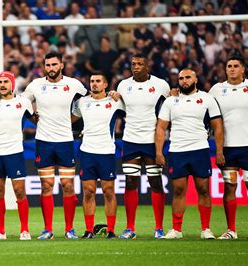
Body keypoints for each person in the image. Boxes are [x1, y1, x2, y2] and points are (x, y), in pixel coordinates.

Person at [0, 51, 87, 240]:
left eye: (54, 64)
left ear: (62, 65)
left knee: (67, 185)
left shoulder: (74, 84)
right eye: (48, 65)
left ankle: (69, 229)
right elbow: (20, 102)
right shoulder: (36, 86)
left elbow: (89, 102)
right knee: (46, 186)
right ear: (44, 67)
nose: (51, 68)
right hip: (44, 141)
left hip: (65, 141)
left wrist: (77, 122)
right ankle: (47, 229)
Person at [155, 68, 224, 239]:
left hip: (200, 149)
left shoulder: (207, 99)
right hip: (177, 150)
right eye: (181, 78)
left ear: (195, 80)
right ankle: (177, 230)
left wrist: (220, 151)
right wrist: (159, 151)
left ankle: (206, 229)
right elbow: (161, 127)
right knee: (178, 191)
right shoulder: (171, 101)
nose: (184, 81)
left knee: (203, 189)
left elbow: (217, 126)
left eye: (187, 77)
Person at [112, 53, 170, 239]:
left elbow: (170, 107)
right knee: (130, 182)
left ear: (147, 66)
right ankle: (130, 228)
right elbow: (120, 110)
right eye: (133, 63)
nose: (135, 66)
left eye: (140, 63)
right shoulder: (123, 85)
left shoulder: (161, 85)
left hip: (152, 140)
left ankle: (159, 228)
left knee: (155, 182)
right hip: (130, 139)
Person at [0, 71, 34, 240]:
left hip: (15, 152)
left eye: (5, 82)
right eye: (0, 82)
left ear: (12, 84)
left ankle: (25, 230)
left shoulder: (23, 102)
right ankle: (0, 232)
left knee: (19, 192)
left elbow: (36, 119)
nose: (2, 85)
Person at [72, 72, 125, 239]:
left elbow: (135, 111)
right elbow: (69, 119)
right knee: (88, 192)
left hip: (106, 152)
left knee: (109, 192)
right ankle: (89, 231)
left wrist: (120, 95)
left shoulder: (115, 102)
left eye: (98, 81)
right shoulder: (82, 102)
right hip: (87, 152)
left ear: (105, 84)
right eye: (92, 81)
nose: (94, 84)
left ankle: (111, 231)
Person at [209, 55, 248, 240]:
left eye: (236, 66)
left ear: (243, 69)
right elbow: (204, 111)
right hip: (227, 148)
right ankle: (231, 230)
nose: (232, 69)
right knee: (229, 187)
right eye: (229, 66)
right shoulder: (216, 90)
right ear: (225, 69)